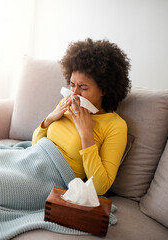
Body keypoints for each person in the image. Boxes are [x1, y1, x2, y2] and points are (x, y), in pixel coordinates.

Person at [32, 38, 131, 195]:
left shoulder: (115, 126)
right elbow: (35, 144)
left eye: (83, 87)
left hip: (50, 181)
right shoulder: (66, 103)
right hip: (31, 161)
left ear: (104, 90)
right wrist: (49, 119)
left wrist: (86, 135)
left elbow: (99, 187)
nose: (75, 93)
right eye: (72, 85)